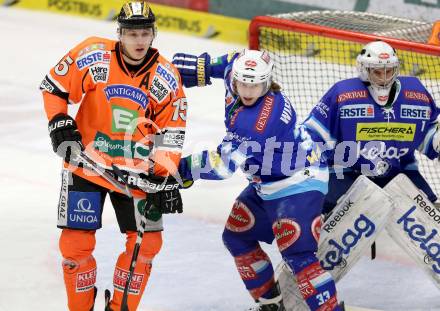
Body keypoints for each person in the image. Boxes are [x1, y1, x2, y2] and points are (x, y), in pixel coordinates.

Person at [40, 1, 187, 310]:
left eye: (145, 33)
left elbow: (171, 134)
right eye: (132, 34)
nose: (139, 41)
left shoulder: (167, 77)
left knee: (147, 243)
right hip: (86, 165)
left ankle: (120, 307)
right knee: (75, 245)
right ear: (120, 33)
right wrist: (58, 121)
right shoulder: (93, 54)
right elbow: (54, 87)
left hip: (136, 174)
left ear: (153, 34)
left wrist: (166, 179)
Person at [172, 49, 342, 311]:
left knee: (300, 257)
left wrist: (180, 168)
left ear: (267, 82)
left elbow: (222, 166)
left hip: (298, 182)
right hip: (266, 182)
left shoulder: (259, 121)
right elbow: (230, 60)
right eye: (243, 84)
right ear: (234, 80)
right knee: (236, 237)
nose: (249, 91)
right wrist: (202, 67)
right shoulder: (237, 69)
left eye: (256, 86)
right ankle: (271, 306)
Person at [302, 40, 440, 215]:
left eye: (388, 71)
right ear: (364, 70)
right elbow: (314, 137)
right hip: (347, 171)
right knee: (331, 212)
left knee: (425, 218)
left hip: (399, 173)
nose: (383, 79)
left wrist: (436, 139)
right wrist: (309, 170)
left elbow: (426, 133)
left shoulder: (416, 94)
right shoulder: (343, 95)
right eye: (377, 72)